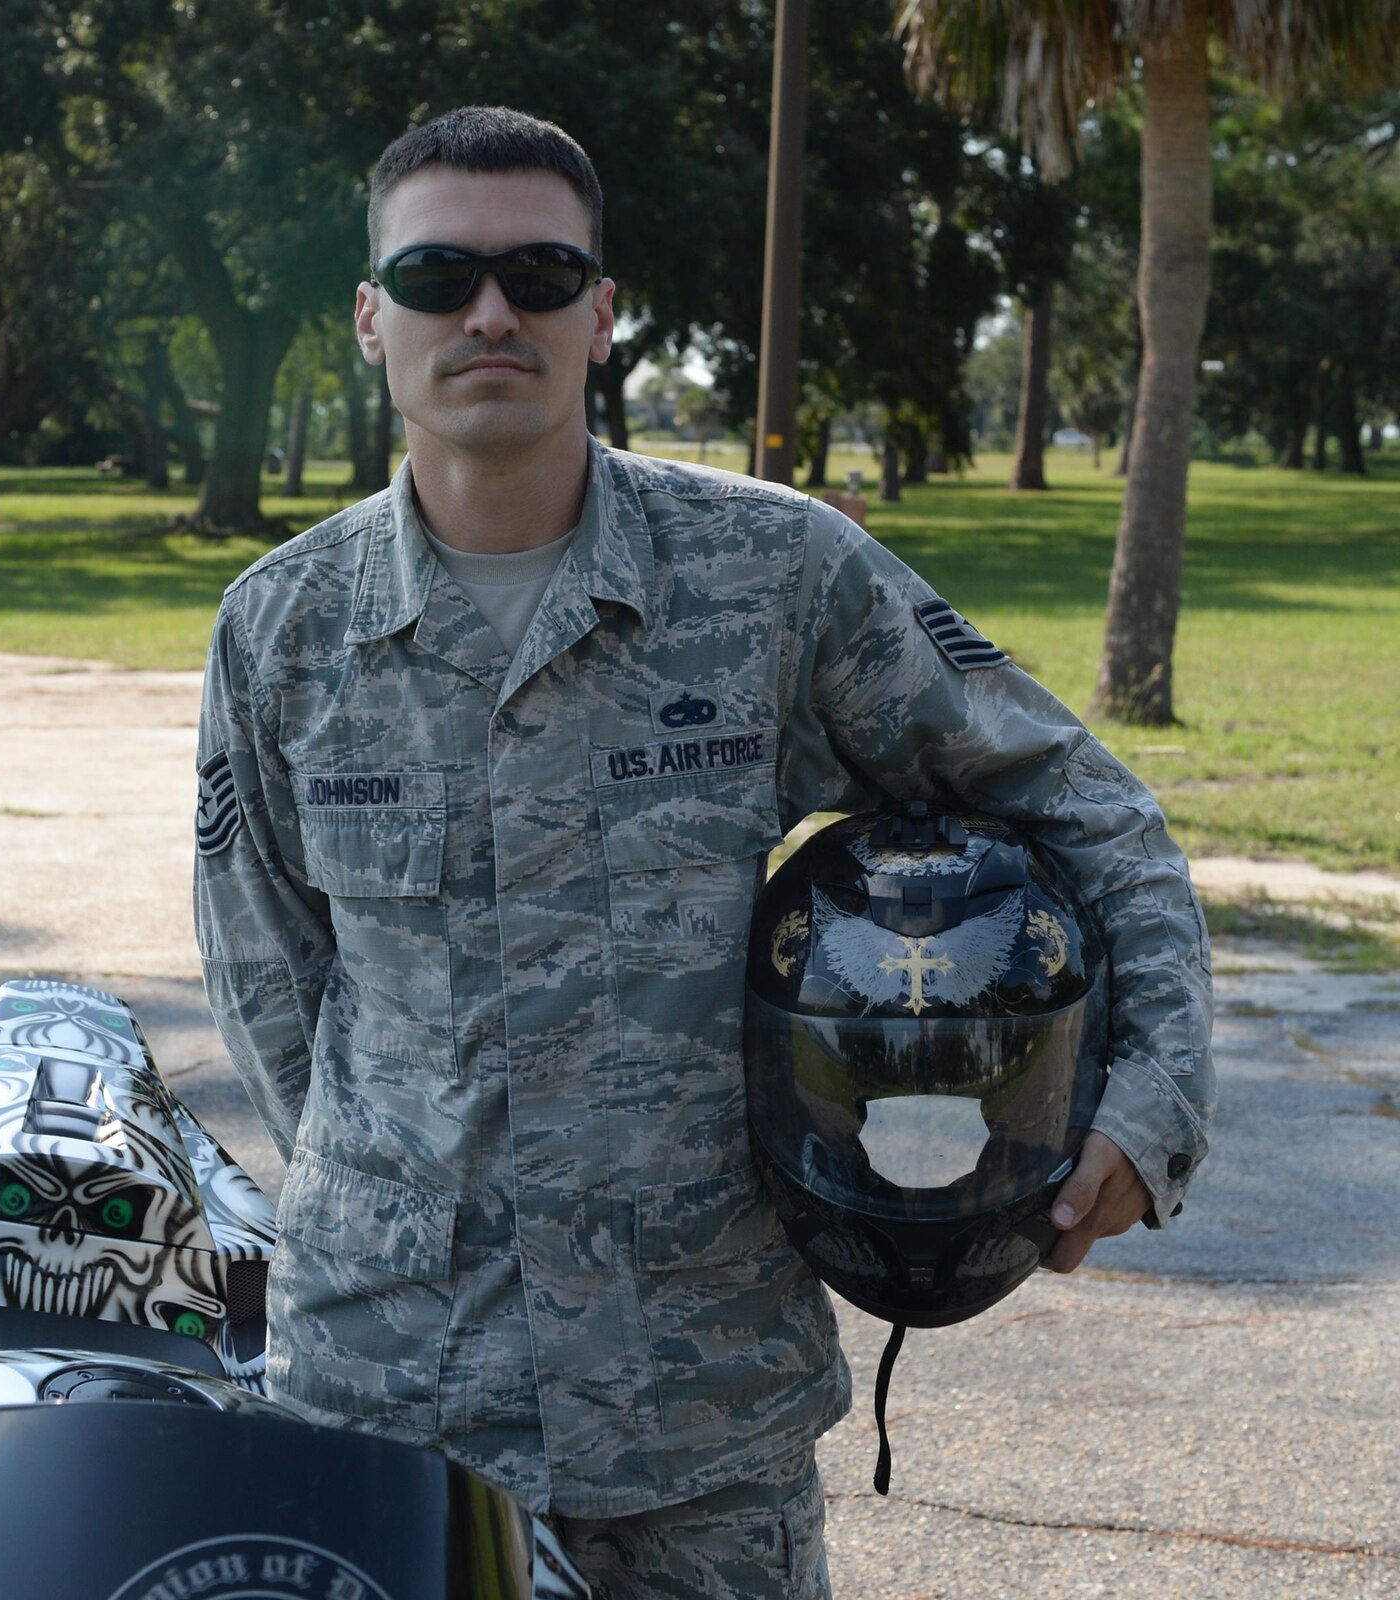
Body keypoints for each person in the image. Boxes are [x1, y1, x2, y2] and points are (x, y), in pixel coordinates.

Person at [192, 106, 1212, 1600]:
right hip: (392, 1404)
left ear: (602, 315)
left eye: (542, 275)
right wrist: (418, 1210)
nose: (492, 312)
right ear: (370, 317)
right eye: (438, 277)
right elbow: (271, 987)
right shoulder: (283, 630)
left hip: (701, 1416)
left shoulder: (769, 575)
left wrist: (1154, 1096)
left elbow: (1078, 799)